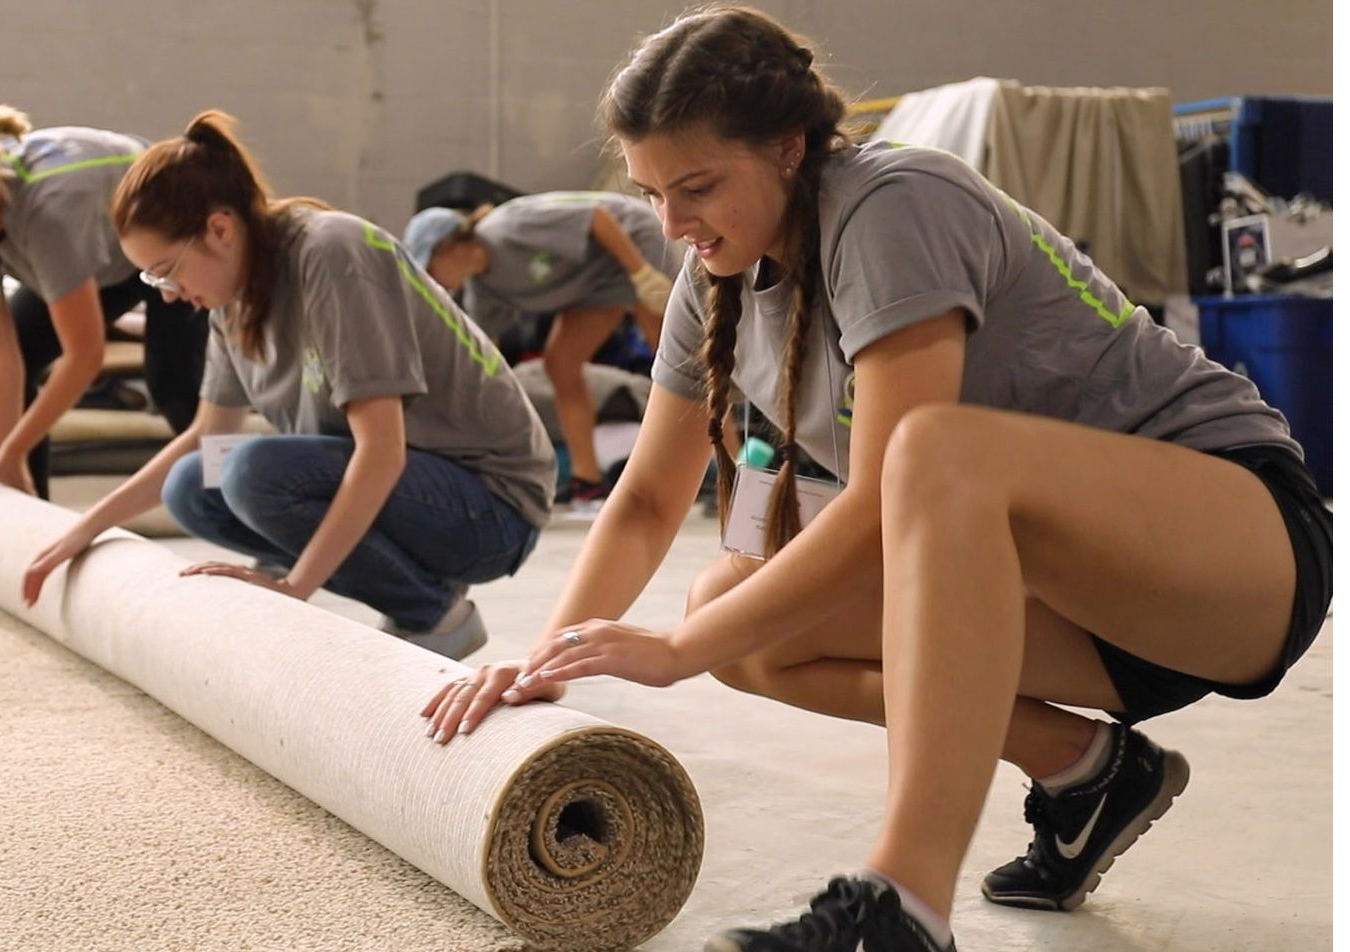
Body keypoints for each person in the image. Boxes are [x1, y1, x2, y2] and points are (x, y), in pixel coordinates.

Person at [422, 6, 1331, 951]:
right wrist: (550, 658)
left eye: (694, 187)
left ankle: (904, 909)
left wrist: (672, 653)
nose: (672, 223)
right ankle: (1089, 772)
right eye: (650, 193)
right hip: (1086, 609)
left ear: (788, 148)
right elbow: (650, 499)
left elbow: (890, 500)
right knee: (733, 606)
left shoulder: (892, 201)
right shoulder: (714, 275)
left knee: (931, 452)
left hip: (1239, 555)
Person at [21, 110, 556, 661]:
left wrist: (293, 590)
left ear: (220, 230)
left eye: (166, 271)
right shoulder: (230, 302)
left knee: (255, 474)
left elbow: (381, 452)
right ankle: (409, 587)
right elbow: (206, 436)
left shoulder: (331, 252)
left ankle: (434, 614)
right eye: (152, 279)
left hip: (490, 506)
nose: (167, 294)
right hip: (419, 488)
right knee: (192, 483)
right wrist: (81, 531)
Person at [0, 105, 208, 498]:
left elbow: (85, 355)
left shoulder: (48, 217)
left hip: (171, 240)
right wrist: (2, 466)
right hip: (100, 251)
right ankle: (28, 505)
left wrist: (15, 449)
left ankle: (232, 499)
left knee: (173, 384)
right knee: (22, 354)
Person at [404, 191, 677, 502]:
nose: (432, 281)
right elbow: (481, 358)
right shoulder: (483, 292)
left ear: (451, 247)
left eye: (429, 268)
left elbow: (598, 218)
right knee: (560, 366)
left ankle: (721, 462)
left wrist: (641, 274)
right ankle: (587, 479)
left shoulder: (507, 229)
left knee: (672, 357)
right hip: (596, 282)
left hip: (631, 240)